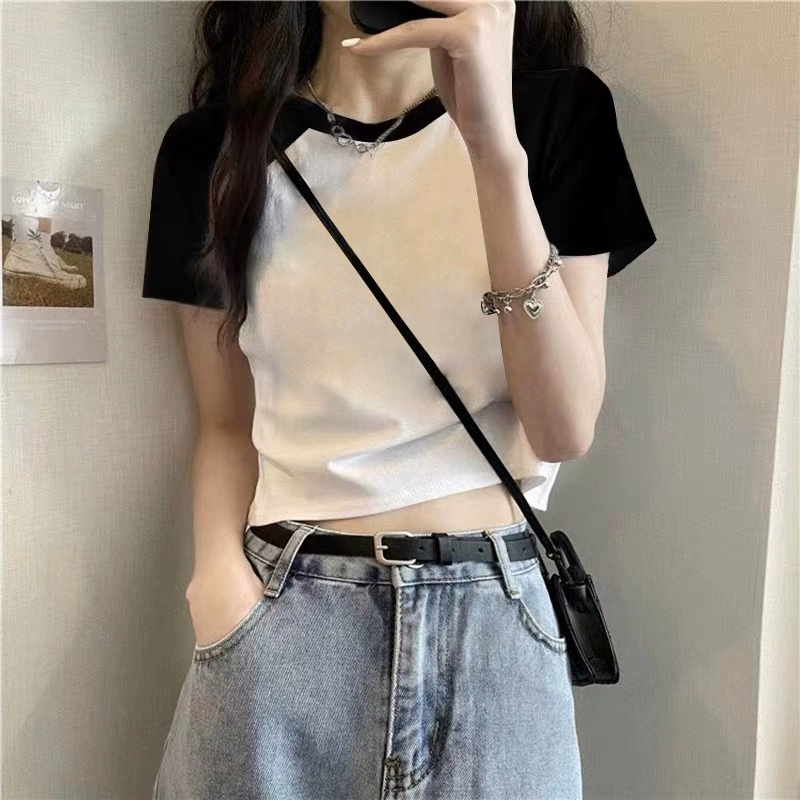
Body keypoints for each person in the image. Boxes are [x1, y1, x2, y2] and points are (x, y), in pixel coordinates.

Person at [142, 2, 657, 798]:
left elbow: (562, 427)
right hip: (285, 620)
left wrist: (493, 147)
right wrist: (217, 585)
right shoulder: (214, 148)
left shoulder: (555, 112)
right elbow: (222, 422)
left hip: (495, 628)